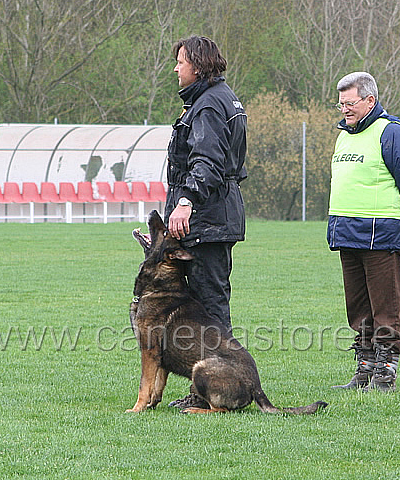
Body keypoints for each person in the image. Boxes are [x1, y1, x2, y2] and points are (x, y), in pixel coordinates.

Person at [328, 72, 400, 393]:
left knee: (385, 306)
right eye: (341, 103)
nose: (344, 109)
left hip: (380, 235)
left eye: (350, 102)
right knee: (357, 308)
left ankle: (385, 371)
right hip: (347, 234)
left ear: (370, 100)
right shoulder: (344, 135)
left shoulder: (391, 133)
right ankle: (365, 367)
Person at [165, 35, 247, 408]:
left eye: (180, 62)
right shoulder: (218, 98)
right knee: (205, 307)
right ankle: (204, 389)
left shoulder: (209, 105)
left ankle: (219, 391)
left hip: (207, 219)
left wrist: (185, 201)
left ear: (197, 65)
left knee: (209, 310)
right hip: (214, 217)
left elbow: (207, 163)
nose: (176, 69)